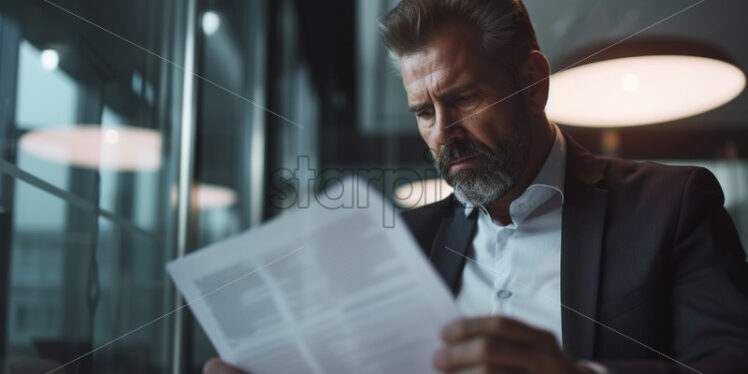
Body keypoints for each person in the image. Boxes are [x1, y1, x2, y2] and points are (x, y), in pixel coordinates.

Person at [205, 0, 748, 373]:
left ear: (533, 83)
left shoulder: (673, 206)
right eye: (423, 111)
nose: (443, 133)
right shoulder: (407, 240)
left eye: (463, 98)